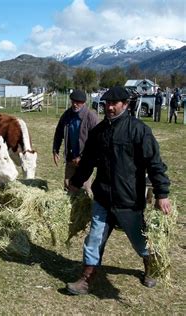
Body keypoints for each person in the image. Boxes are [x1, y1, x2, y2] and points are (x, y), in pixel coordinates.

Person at [66, 86, 171, 295]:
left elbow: (154, 163)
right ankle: (86, 279)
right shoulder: (98, 132)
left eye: (114, 104)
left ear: (126, 104)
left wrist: (162, 194)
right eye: (107, 104)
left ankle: (149, 268)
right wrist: (75, 183)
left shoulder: (139, 130)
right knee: (94, 239)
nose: (110, 107)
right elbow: (87, 162)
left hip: (128, 201)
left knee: (140, 241)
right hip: (103, 198)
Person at [52, 89, 98, 193]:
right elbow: (59, 132)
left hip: (85, 162)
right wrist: (55, 149)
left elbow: (96, 142)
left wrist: (82, 157)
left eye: (78, 102)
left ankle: (86, 208)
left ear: (84, 103)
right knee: (68, 186)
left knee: (85, 190)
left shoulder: (91, 117)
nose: (75, 104)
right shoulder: (67, 115)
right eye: (73, 101)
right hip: (70, 158)